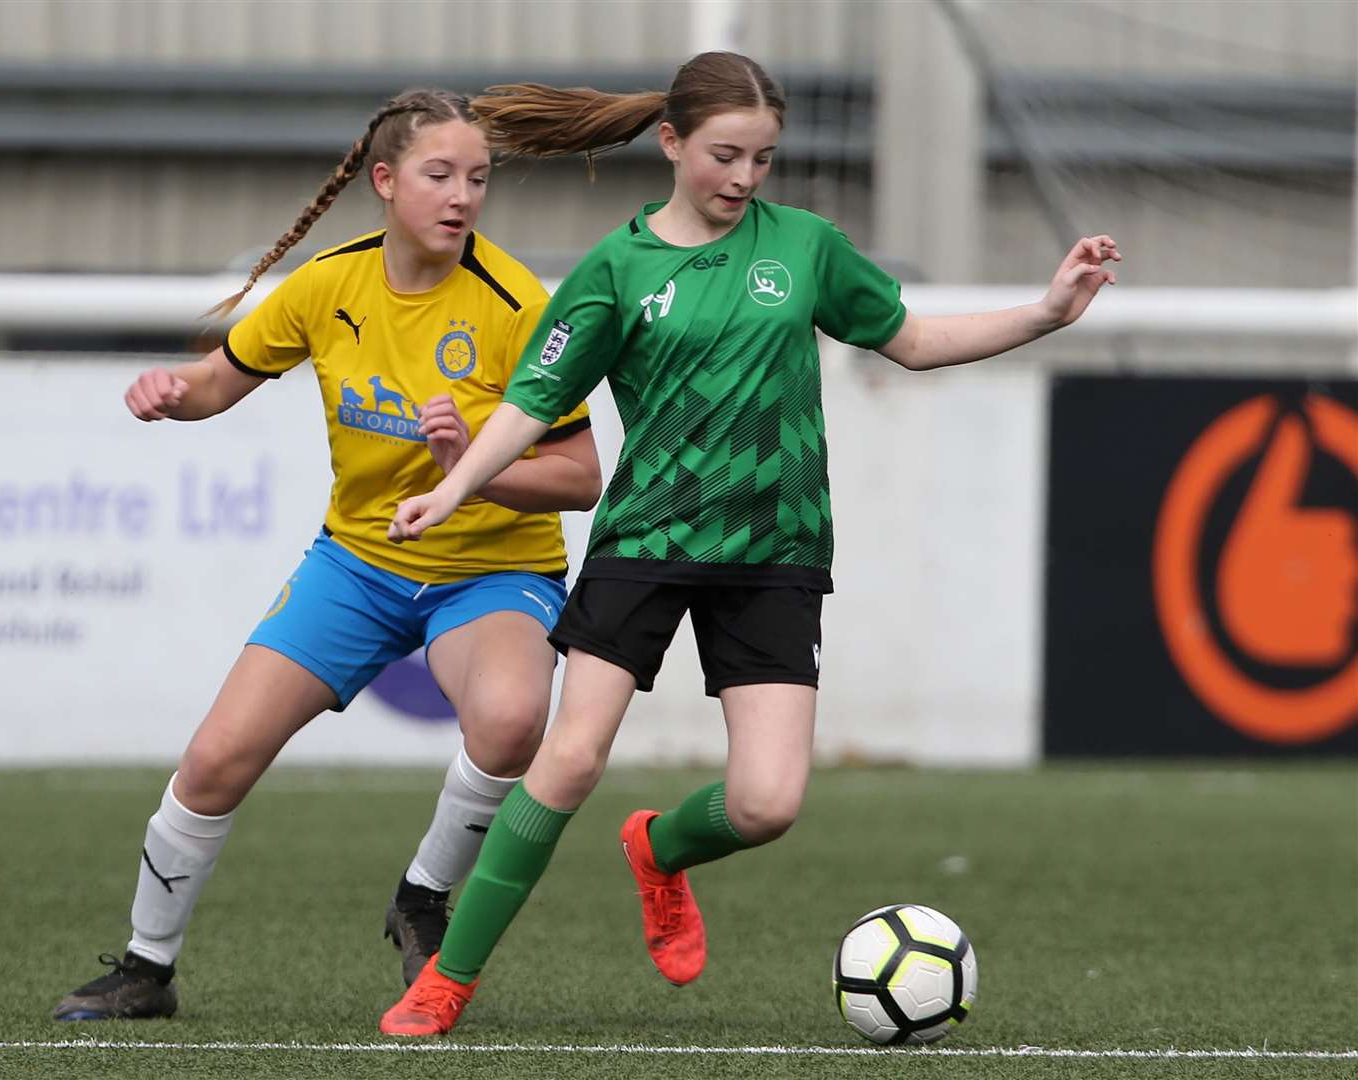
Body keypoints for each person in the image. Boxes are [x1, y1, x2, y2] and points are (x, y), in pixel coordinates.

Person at [376, 52, 1121, 1036]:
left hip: (775, 548)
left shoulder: (806, 248)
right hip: (645, 538)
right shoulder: (615, 269)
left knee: (767, 803)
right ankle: (446, 981)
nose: (742, 177)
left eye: (762, 160)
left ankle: (658, 851)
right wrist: (455, 486)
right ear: (672, 143)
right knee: (568, 759)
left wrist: (1046, 311)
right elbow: (530, 404)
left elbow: (909, 339)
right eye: (725, 155)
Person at [51, 88, 602, 1021]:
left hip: (492, 570)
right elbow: (219, 382)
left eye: (478, 178)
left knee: (511, 721)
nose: (462, 195)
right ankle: (146, 969)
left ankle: (421, 899)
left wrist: (469, 465)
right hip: (358, 564)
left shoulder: (516, 305)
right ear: (385, 182)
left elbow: (580, 477)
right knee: (217, 758)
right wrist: (168, 391)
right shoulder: (327, 284)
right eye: (439, 175)